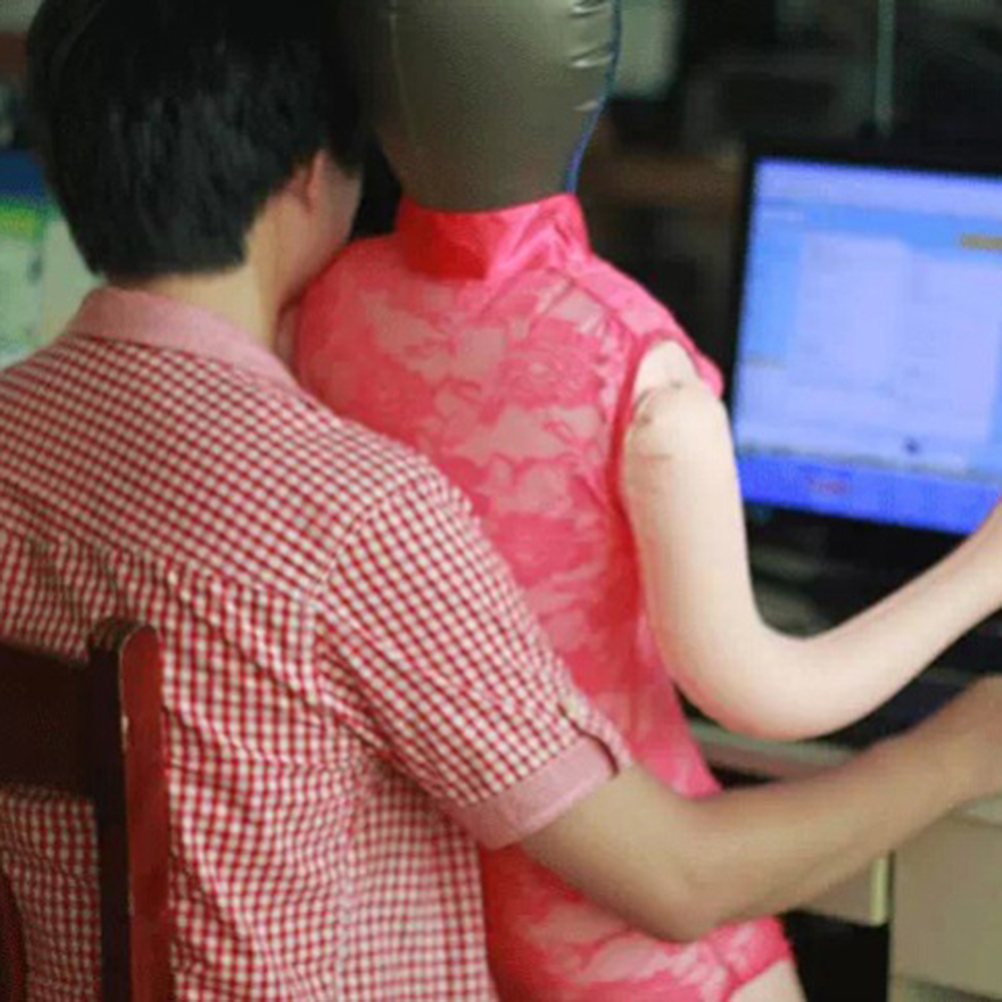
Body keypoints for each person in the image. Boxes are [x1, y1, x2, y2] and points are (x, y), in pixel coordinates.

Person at [294, 1, 1002, 997]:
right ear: (584, 81)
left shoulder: (326, 303)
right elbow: (765, 700)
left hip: (436, 927)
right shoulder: (629, 358)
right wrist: (982, 571)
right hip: (638, 938)